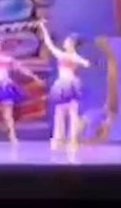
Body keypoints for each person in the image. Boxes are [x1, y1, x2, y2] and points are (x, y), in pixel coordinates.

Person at [38, 21, 91, 150]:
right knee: (59, 112)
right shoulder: (61, 55)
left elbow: (85, 63)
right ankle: (58, 139)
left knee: (72, 112)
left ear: (71, 44)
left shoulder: (74, 57)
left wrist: (83, 62)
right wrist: (43, 28)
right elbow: (49, 44)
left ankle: (73, 140)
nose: (64, 43)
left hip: (71, 84)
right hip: (61, 85)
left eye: (67, 42)